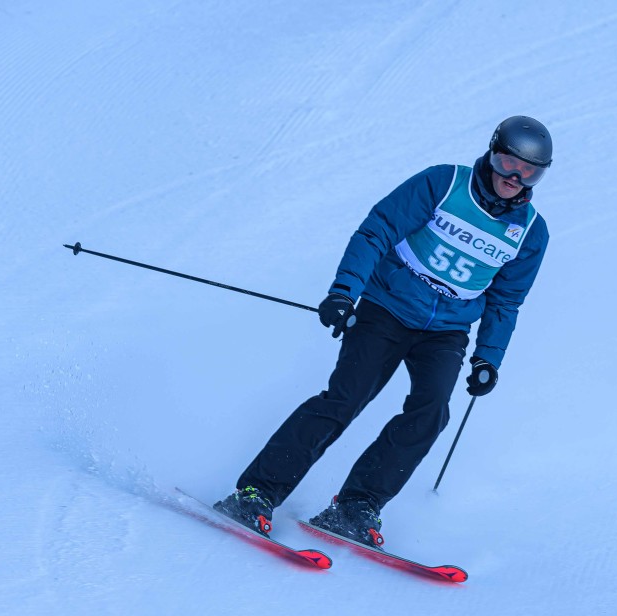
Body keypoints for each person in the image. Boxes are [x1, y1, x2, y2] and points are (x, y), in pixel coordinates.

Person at [214, 115, 552, 546]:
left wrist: (488, 358)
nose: (514, 177)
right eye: (508, 163)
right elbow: (377, 232)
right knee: (346, 398)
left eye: (529, 172)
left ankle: (356, 505)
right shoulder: (443, 184)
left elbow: (506, 301)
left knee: (431, 413)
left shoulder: (531, 232)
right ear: (491, 153)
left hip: (446, 330)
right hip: (387, 307)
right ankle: (256, 493)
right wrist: (344, 292)